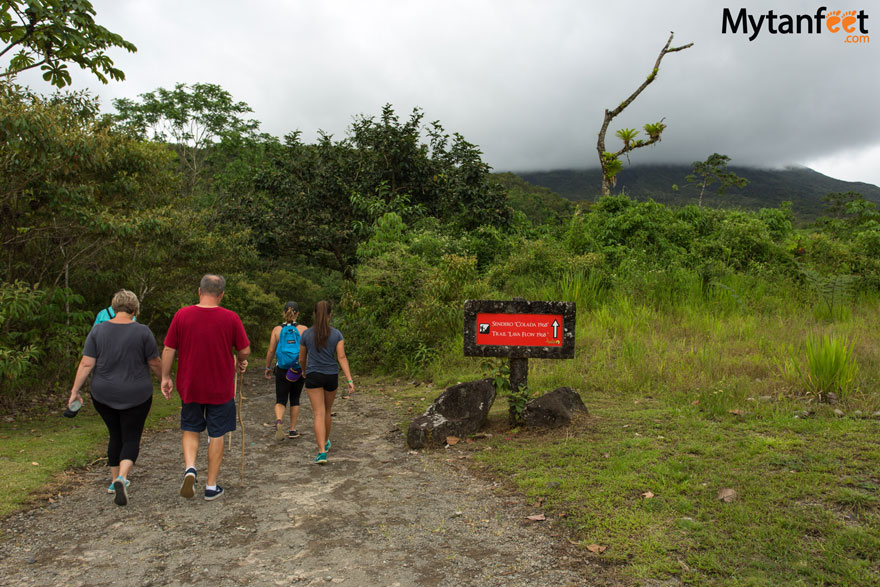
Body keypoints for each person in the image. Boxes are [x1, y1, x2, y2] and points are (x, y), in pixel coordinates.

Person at [67, 289, 162, 506]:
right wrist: (165, 379)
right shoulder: (143, 332)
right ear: (135, 309)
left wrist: (75, 391)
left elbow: (86, 363)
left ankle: (113, 481)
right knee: (131, 435)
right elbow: (154, 362)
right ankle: (123, 477)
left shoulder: (98, 331)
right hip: (137, 394)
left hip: (103, 394)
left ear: (113, 307)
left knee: (115, 434)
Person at [160, 274, 250, 501]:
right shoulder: (230, 318)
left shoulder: (182, 315)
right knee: (217, 432)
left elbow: (169, 349)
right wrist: (241, 360)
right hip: (220, 387)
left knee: (190, 428)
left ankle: (190, 468)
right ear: (221, 294)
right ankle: (211, 486)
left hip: (190, 385)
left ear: (199, 292)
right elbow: (245, 349)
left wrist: (165, 377)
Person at [299, 300, 354, 465]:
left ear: (315, 314)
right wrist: (349, 379)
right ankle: (326, 442)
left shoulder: (306, 334)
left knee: (318, 413)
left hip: (313, 375)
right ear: (330, 315)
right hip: (331, 375)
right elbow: (341, 357)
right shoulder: (337, 334)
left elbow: (302, 358)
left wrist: (303, 370)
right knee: (327, 411)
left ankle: (322, 451)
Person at [264, 301, 307, 441]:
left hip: (282, 369)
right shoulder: (303, 329)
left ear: (284, 313)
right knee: (295, 399)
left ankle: (278, 421)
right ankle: (292, 430)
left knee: (281, 399)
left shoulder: (277, 330)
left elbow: (271, 351)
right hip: (298, 369)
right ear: (298, 313)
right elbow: (308, 350)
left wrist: (268, 367)